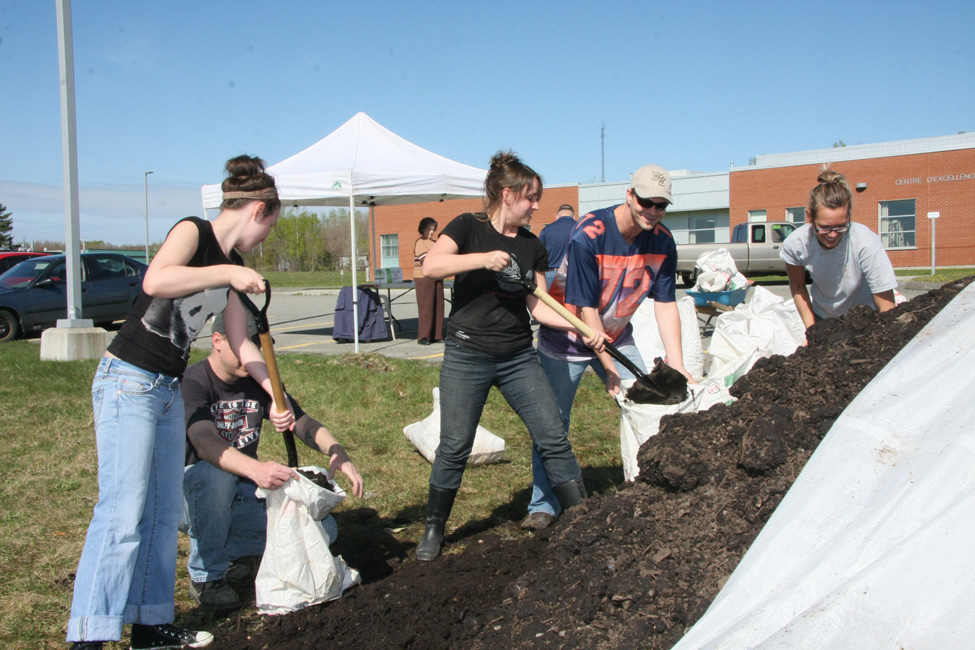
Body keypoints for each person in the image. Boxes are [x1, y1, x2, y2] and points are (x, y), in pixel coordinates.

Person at [67, 156, 294, 650]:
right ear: (258, 209)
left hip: (167, 391)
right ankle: (89, 635)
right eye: (270, 226)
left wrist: (275, 394)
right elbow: (156, 280)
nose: (265, 238)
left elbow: (241, 342)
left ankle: (150, 625)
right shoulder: (193, 231)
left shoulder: (235, 270)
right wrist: (230, 270)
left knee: (162, 513)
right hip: (128, 381)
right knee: (122, 513)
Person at [415, 150, 606, 561]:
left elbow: (538, 306)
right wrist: (483, 260)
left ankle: (583, 518)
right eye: (531, 197)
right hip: (468, 352)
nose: (537, 206)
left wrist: (580, 327)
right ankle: (433, 529)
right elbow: (430, 266)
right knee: (454, 445)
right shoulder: (468, 226)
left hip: (518, 355)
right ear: (507, 194)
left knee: (553, 434)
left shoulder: (533, 246)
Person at [525, 164, 692, 530]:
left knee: (648, 406)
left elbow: (665, 305)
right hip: (565, 339)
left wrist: (677, 364)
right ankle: (543, 504)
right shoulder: (589, 233)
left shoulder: (662, 241)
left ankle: (647, 485)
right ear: (630, 196)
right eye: (647, 202)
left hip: (618, 336)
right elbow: (587, 311)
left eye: (661, 205)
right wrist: (609, 368)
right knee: (553, 425)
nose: (653, 211)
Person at [180, 313, 364, 611]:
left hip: (240, 494)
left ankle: (229, 547)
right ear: (217, 342)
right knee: (215, 475)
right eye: (246, 349)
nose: (254, 359)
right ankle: (206, 576)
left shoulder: (256, 381)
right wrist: (256, 469)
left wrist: (336, 451)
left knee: (325, 529)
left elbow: (302, 422)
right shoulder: (193, 382)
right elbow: (204, 443)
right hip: (189, 495)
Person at [780, 168, 897, 333]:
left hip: (866, 317)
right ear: (809, 217)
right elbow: (798, 286)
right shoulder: (796, 244)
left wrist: (886, 334)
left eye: (841, 226)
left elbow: (885, 302)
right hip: (823, 318)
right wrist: (812, 331)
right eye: (825, 227)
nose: (833, 234)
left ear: (849, 216)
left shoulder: (865, 242)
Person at [413, 217, 444, 345]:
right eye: (429, 229)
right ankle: (424, 337)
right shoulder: (420, 242)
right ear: (423, 229)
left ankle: (437, 335)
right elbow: (425, 261)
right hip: (424, 277)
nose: (431, 232)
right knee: (426, 307)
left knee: (438, 306)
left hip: (437, 275)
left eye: (433, 229)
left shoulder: (435, 242)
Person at [537, 203, 577, 288]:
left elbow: (538, 255)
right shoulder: (580, 229)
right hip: (574, 274)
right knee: (572, 301)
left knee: (550, 301)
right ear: (574, 216)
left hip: (552, 274)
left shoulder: (546, 230)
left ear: (557, 216)